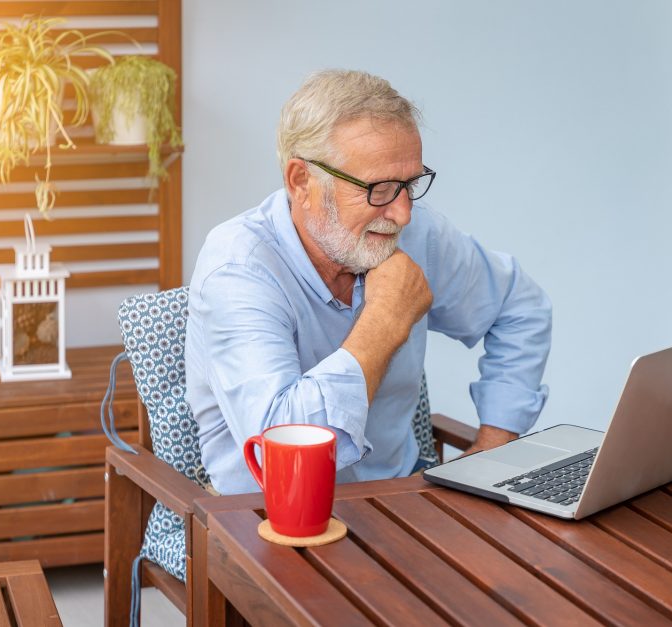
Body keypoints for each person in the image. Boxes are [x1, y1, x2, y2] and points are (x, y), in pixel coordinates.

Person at [185, 69, 551, 495]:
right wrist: (385, 320)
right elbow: (284, 459)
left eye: (410, 185)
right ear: (301, 181)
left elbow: (519, 307)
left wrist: (493, 446)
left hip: (401, 497)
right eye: (378, 189)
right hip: (266, 519)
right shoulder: (239, 267)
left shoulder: (414, 235)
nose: (402, 214)